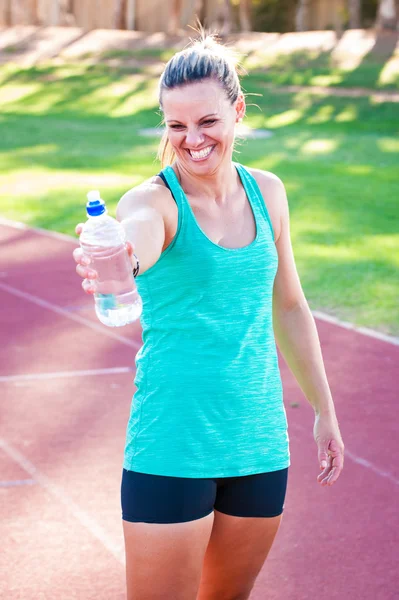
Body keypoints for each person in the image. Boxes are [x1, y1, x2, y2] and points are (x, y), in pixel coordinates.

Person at [73, 33, 344, 600]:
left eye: (207, 122)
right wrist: (123, 256)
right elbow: (137, 237)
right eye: (175, 127)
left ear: (238, 111)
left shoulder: (268, 193)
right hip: (172, 445)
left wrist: (324, 409)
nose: (191, 141)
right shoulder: (154, 201)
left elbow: (290, 305)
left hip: (259, 444)